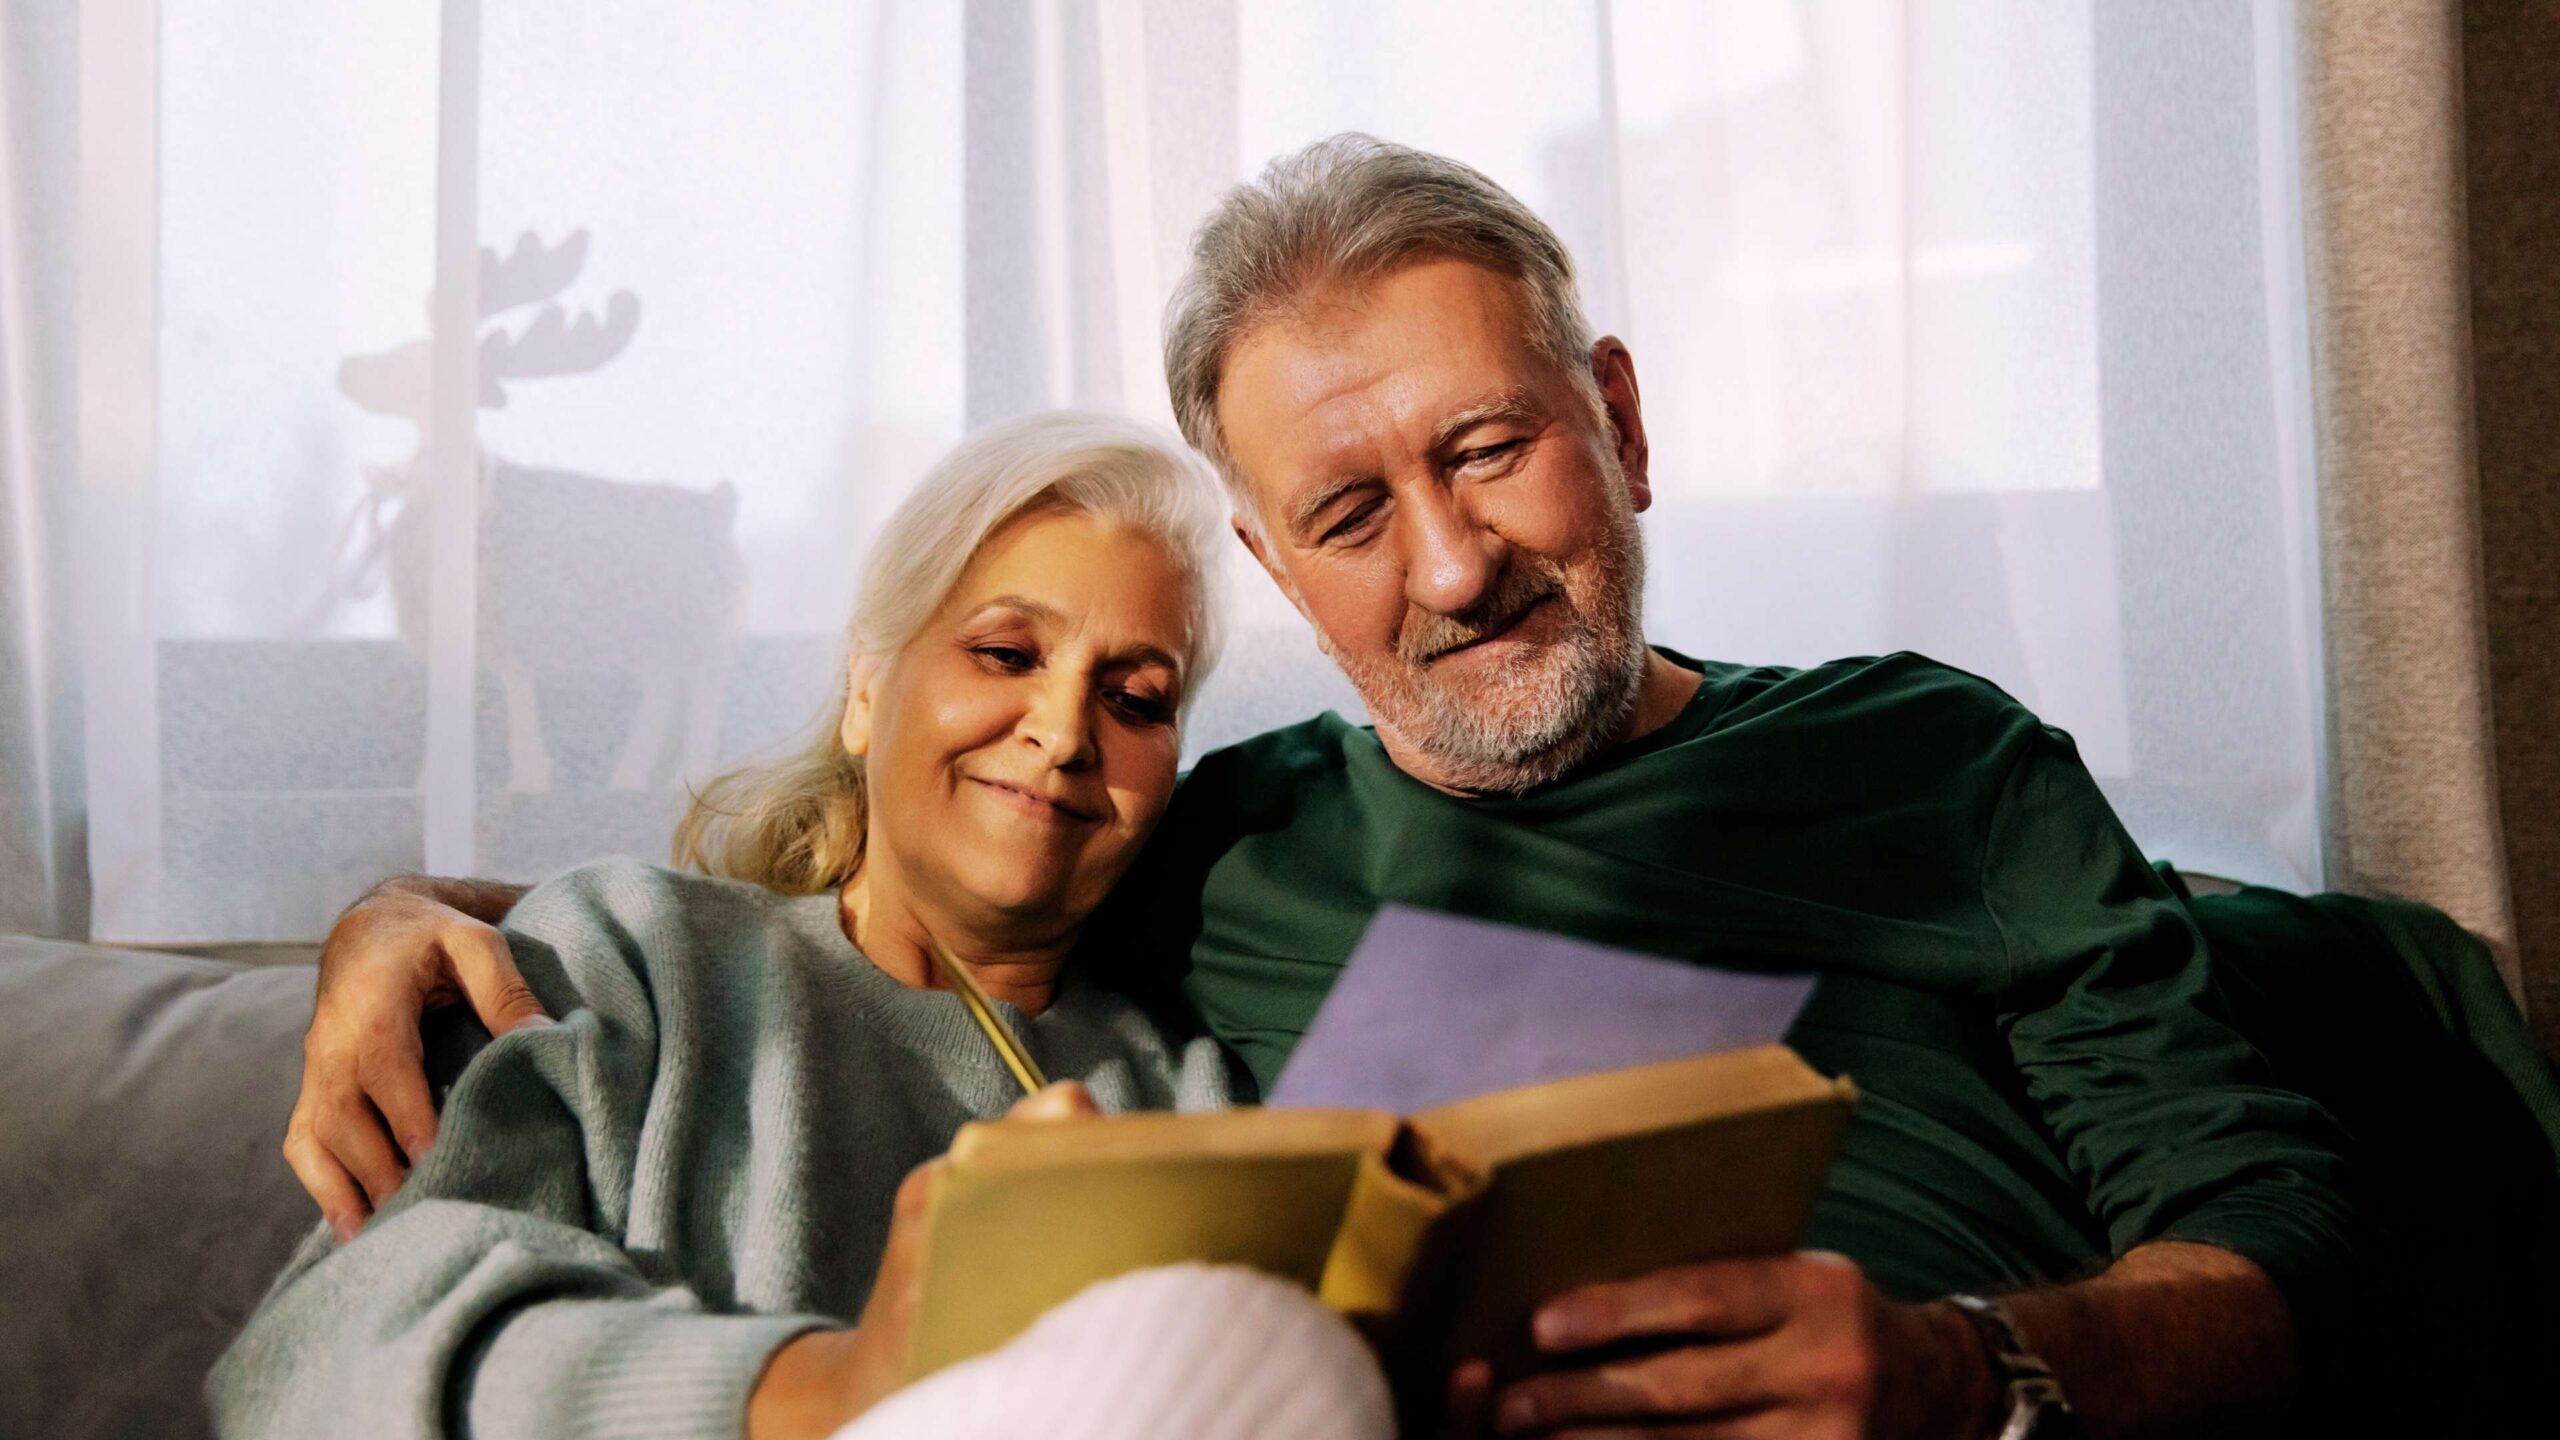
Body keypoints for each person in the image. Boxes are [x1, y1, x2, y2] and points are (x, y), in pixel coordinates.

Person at [285, 138, 2364, 1438]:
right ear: (1275, 569)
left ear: (1616, 420)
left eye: (1487, 451)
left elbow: (2282, 1255)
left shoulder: (1934, 759)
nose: (1449, 569)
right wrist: (407, 919)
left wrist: (1962, 1379)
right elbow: (879, 893)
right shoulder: (1222, 838)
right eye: (1349, 508)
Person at [211, 413, 1395, 1440]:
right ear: (869, 687)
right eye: (1004, 652)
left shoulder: (1184, 1104)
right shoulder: (627, 962)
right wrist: (826, 1390)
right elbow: (308, 1364)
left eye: (1134, 698)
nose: (1063, 729)